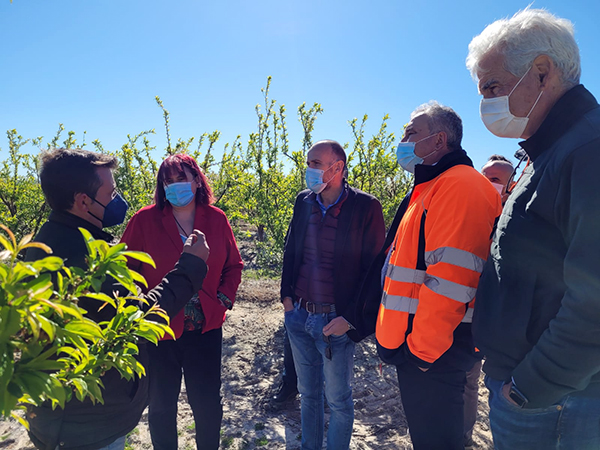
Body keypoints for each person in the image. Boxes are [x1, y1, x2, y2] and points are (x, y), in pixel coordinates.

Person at [467, 7, 600, 449]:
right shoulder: (552, 150)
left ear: (542, 72)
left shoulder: (588, 151)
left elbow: (595, 299)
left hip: (554, 400)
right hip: (537, 390)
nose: (486, 103)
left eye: (492, 87)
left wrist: (530, 386)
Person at [24, 148, 210, 450]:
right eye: (110, 193)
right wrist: (189, 268)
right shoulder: (84, 261)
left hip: (67, 417)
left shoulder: (48, 241)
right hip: (87, 425)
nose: (117, 200)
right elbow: (135, 321)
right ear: (83, 201)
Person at [364, 102, 501, 450]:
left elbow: (453, 280)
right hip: (420, 348)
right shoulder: (432, 185)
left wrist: (421, 354)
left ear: (439, 140)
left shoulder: (460, 187)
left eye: (411, 132)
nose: (403, 139)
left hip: (435, 353)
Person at [120, 153, 243, 450]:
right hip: (159, 329)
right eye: (168, 181)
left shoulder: (216, 219)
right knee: (161, 405)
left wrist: (222, 300)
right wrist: (139, 303)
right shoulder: (144, 220)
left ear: (197, 182)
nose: (174, 186)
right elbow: (124, 270)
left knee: (207, 404)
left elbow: (233, 265)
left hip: (205, 328)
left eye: (181, 179)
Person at [281, 140, 385, 450]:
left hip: (335, 321)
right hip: (299, 315)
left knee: (339, 400)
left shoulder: (366, 207)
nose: (308, 170)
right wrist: (287, 298)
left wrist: (351, 319)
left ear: (337, 167)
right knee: (308, 393)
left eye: (315, 163)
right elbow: (292, 248)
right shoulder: (304, 201)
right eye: (308, 163)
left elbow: (374, 269)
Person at [460, 154, 514, 449]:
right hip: (466, 319)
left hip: (503, 331)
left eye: (494, 179)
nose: (486, 183)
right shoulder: (470, 216)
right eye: (483, 176)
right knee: (466, 383)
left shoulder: (524, 223)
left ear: (512, 185)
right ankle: (463, 439)